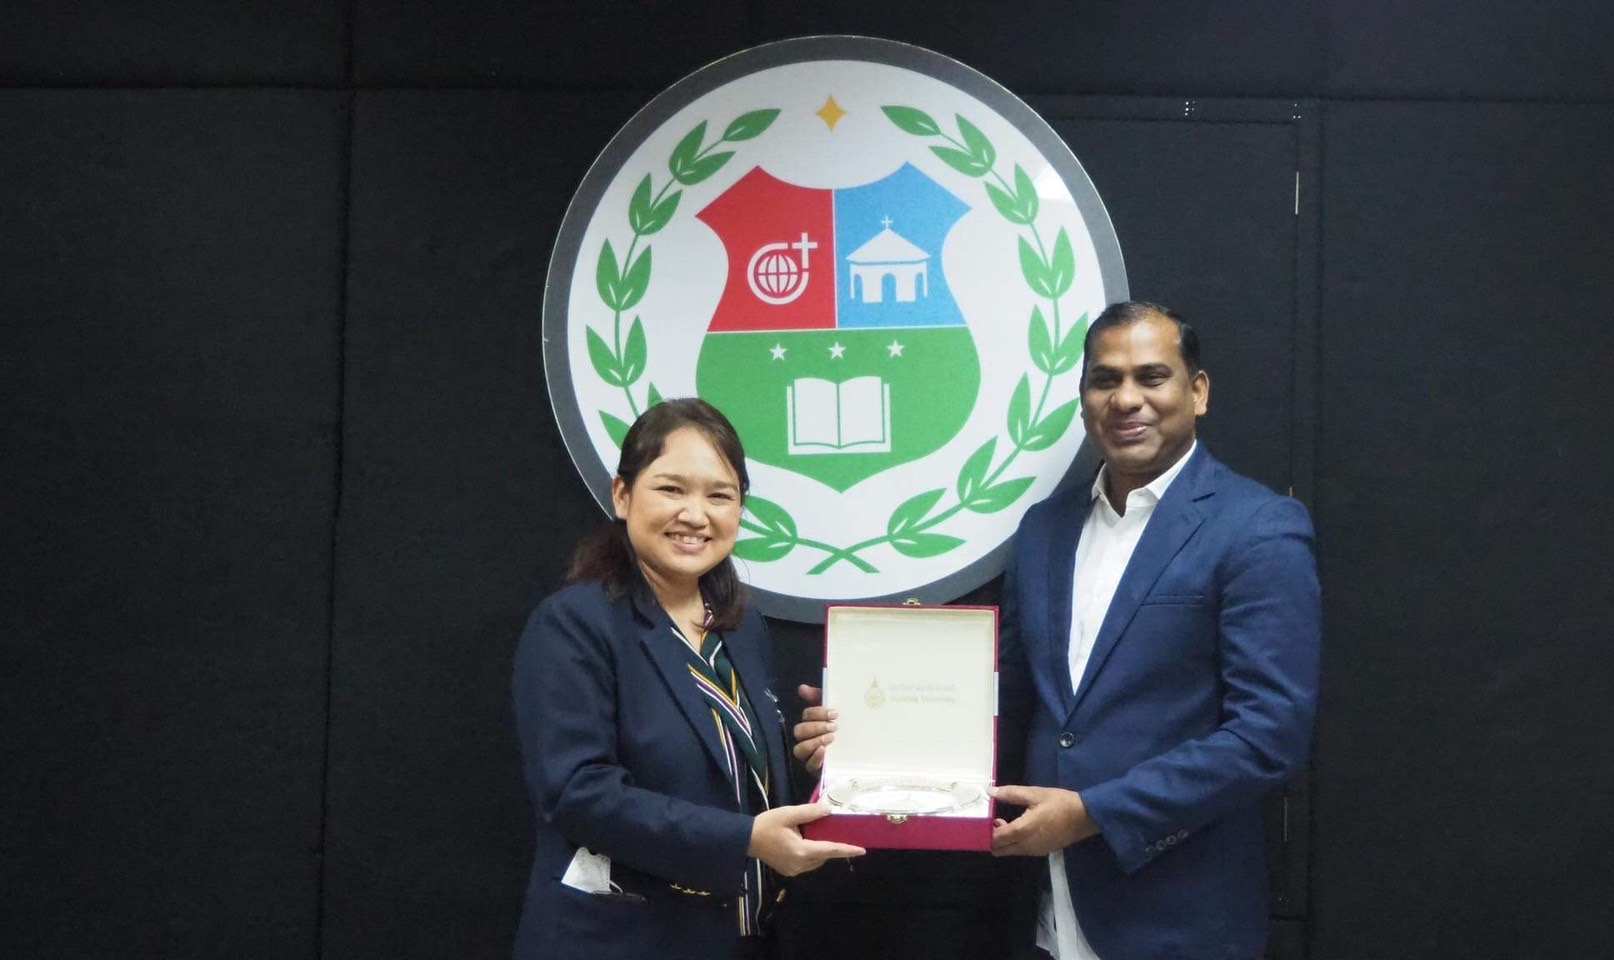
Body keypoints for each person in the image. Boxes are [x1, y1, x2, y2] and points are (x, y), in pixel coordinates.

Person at [797, 302, 1320, 959]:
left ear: (1198, 391)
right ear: (1082, 397)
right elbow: (1009, 701)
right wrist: (861, 741)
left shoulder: (1256, 528)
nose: (1125, 399)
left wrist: (1094, 814)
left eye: (1151, 377)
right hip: (1044, 909)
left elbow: (1269, 736)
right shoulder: (1045, 529)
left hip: (1176, 917)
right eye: (1104, 380)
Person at [511, 398, 864, 960]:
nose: (696, 515)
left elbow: (734, 782)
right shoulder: (575, 624)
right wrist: (745, 840)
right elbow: (576, 793)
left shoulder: (741, 629)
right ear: (622, 495)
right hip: (623, 943)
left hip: (745, 939)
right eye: (671, 489)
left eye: (719, 496)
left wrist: (819, 760)